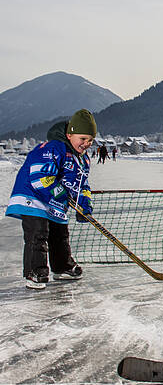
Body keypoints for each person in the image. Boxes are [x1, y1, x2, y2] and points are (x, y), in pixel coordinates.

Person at [5, 109, 96, 289]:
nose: (86, 144)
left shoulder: (83, 160)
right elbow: (40, 176)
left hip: (55, 202)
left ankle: (62, 267)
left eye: (90, 140)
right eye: (82, 139)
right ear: (70, 134)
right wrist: (59, 192)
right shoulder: (53, 148)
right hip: (33, 197)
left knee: (60, 233)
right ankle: (35, 271)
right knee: (38, 233)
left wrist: (84, 204)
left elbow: (81, 185)